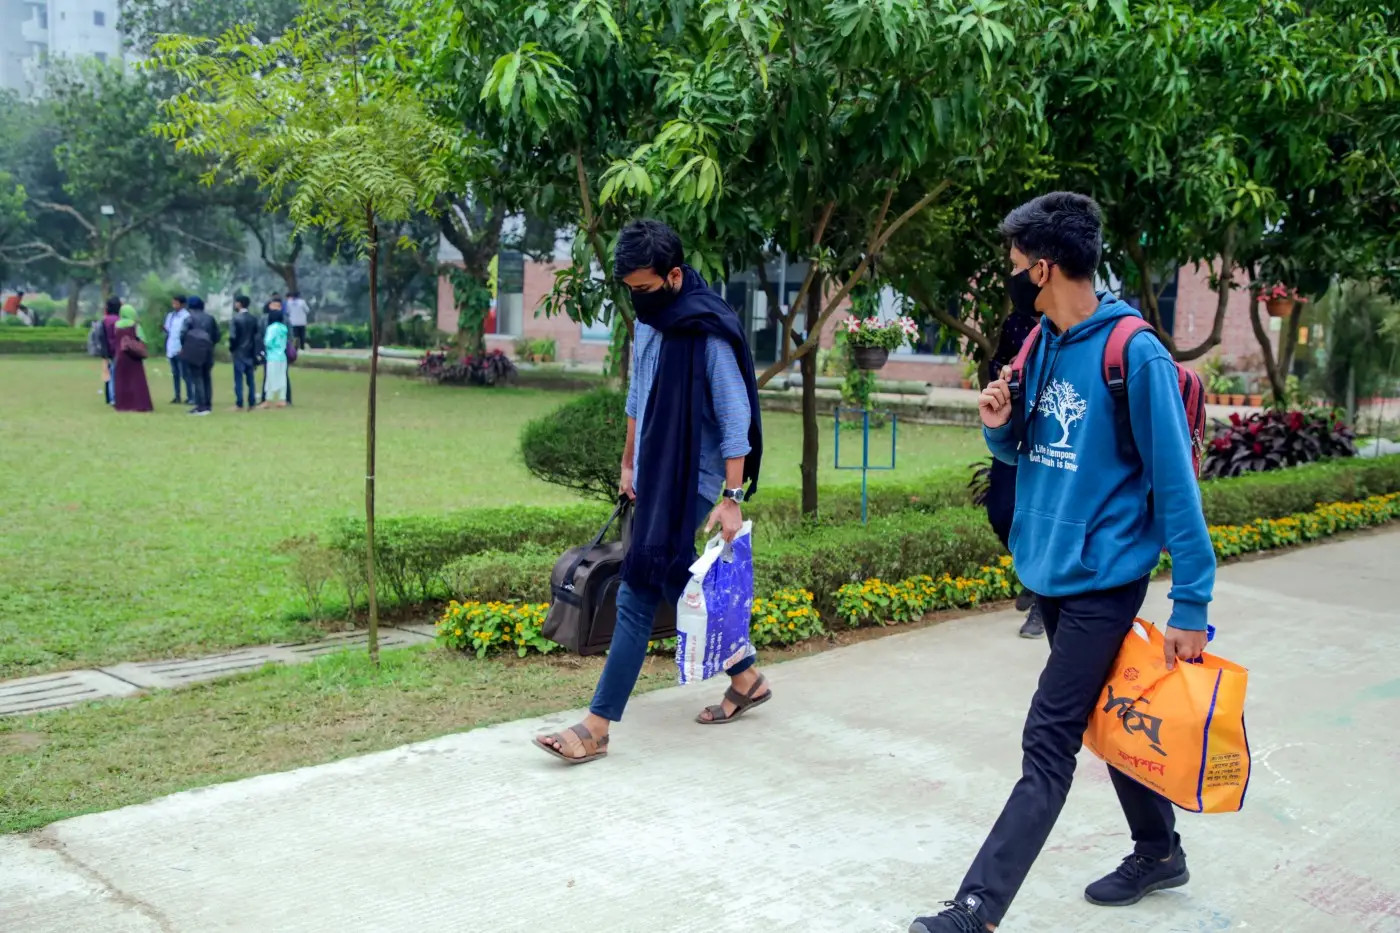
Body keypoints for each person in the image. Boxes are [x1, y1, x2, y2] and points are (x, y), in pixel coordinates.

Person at [909, 193, 1216, 933]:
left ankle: (976, 909)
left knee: (1048, 738)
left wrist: (1192, 603)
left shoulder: (1134, 353)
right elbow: (1029, 451)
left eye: (1016, 265)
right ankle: (1160, 850)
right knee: (1106, 713)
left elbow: (1175, 484)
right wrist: (998, 429)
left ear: (1043, 268)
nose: (1012, 277)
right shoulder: (1040, 343)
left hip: (1105, 578)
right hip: (1048, 568)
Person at [533, 219, 764, 764]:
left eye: (644, 287)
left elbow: (736, 417)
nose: (637, 298)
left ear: (674, 276)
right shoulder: (650, 319)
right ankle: (746, 677)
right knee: (672, 577)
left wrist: (732, 499)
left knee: (637, 589)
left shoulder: (706, 328)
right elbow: (638, 392)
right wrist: (627, 461)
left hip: (692, 478)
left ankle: (597, 727)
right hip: (654, 471)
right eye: (629, 289)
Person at [982, 304, 1043, 638]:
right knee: (1001, 510)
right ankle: (1032, 574)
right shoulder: (1017, 323)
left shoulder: (1073, 328)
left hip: (1052, 437)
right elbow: (996, 364)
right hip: (1015, 430)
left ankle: (1042, 604)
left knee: (1045, 521)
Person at [109, 304, 154, 413]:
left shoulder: (116, 325)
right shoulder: (135, 325)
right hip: (133, 357)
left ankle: (123, 405)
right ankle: (139, 404)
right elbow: (143, 340)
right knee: (136, 380)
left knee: (122, 381)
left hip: (120, 356)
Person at [180, 296, 220, 416]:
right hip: (208, 350)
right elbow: (217, 335)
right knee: (207, 377)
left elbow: (182, 334)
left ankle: (200, 405)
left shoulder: (189, 319)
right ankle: (207, 404)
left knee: (197, 378)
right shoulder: (210, 319)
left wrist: (186, 346)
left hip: (194, 351)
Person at [229, 295, 260, 411]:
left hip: (239, 352)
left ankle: (239, 403)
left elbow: (233, 337)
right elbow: (257, 336)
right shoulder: (253, 319)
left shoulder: (235, 319)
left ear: (239, 304)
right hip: (250, 352)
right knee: (250, 380)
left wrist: (232, 349)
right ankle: (252, 403)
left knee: (238, 379)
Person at [260, 297, 292, 406]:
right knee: (282, 378)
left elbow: (267, 342)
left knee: (270, 378)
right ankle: (282, 399)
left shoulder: (271, 328)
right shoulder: (283, 328)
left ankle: (268, 399)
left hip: (272, 356)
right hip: (282, 356)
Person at [162, 294, 193, 404]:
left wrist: (185, 347)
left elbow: (187, 334)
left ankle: (191, 396)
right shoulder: (170, 316)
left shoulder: (187, 316)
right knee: (175, 374)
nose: (174, 305)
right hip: (171, 347)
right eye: (173, 303)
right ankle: (177, 396)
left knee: (185, 374)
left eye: (176, 303)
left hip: (181, 348)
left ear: (182, 304)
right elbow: (168, 330)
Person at [100, 297, 121, 406]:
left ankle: (110, 397)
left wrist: (104, 353)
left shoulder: (105, 320)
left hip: (109, 350)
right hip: (119, 350)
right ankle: (115, 397)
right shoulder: (120, 320)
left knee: (109, 374)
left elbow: (102, 337)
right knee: (116, 374)